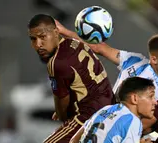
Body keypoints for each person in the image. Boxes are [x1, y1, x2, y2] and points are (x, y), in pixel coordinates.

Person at [28, 14, 115, 143]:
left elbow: (62, 106)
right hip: (110, 107)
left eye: (42, 37)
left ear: (56, 32)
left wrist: (62, 113)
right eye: (33, 39)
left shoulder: (56, 62)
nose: (38, 44)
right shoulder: (75, 42)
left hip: (89, 117)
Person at [56, 20, 158, 101]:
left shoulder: (134, 60)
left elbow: (98, 47)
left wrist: (63, 31)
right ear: (154, 59)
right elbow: (98, 47)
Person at [70, 77, 157, 143]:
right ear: (134, 99)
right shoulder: (133, 121)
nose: (155, 102)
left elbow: (73, 140)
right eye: (150, 96)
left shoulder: (105, 109)